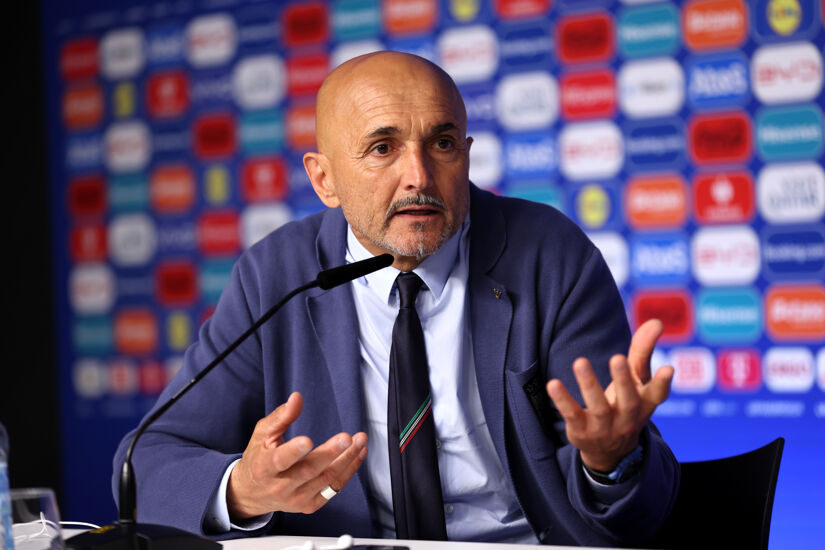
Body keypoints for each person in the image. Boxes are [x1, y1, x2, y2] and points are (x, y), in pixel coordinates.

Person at [113, 51, 678, 547]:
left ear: (468, 152)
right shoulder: (276, 274)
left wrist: (610, 461)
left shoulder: (549, 255)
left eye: (443, 143)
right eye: (383, 147)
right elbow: (146, 464)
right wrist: (243, 489)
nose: (419, 176)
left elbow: (642, 511)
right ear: (324, 180)